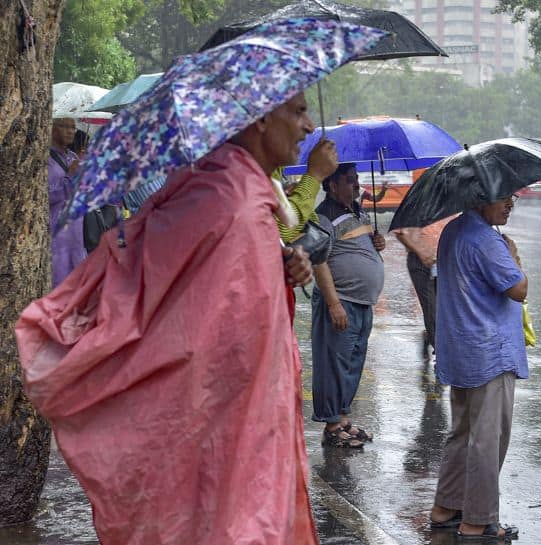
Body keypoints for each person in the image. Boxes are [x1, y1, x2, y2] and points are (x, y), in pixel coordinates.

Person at [17, 93, 317, 545]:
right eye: (296, 112)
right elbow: (185, 310)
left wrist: (282, 266)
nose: (308, 126)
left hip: (246, 415)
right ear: (259, 119)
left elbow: (234, 297)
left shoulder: (238, 195)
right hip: (222, 417)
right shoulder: (227, 198)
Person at [428, 195, 527, 541]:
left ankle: (446, 506)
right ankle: (478, 520)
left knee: (463, 432)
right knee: (488, 438)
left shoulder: (454, 230)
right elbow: (518, 288)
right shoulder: (487, 239)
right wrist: (512, 256)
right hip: (490, 352)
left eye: (513, 196)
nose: (510, 203)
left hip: (463, 349)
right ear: (481, 197)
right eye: (503, 196)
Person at [311, 163, 386, 448]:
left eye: (357, 179)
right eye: (350, 180)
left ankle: (342, 418)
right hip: (341, 301)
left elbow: (361, 248)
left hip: (363, 303)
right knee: (333, 364)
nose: (356, 185)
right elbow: (318, 260)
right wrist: (333, 303)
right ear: (332, 185)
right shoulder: (323, 216)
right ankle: (331, 426)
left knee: (352, 364)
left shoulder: (359, 211)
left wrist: (377, 243)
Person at [393, 216, 456, 361]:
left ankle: (429, 336)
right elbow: (400, 233)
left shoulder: (450, 208)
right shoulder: (419, 208)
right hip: (421, 263)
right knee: (431, 310)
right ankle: (443, 359)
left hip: (445, 262)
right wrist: (421, 252)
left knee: (445, 311)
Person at [48, 117, 87, 287]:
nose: (71, 131)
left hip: (76, 235)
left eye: (73, 127)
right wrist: (70, 177)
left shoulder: (72, 157)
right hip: (56, 237)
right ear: (51, 128)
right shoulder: (45, 159)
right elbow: (46, 196)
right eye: (65, 127)